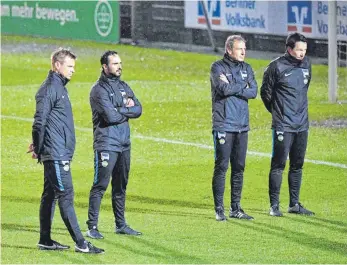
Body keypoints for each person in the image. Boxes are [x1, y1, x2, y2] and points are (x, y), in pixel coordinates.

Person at [29, 48, 104, 254]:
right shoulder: (49, 89)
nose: (73, 71)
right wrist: (38, 145)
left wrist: (39, 145)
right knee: (65, 195)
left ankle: (45, 239)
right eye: (69, 66)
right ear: (57, 65)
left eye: (74, 67)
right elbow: (39, 122)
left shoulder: (59, 87)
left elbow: (49, 122)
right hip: (56, 153)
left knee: (50, 195)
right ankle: (81, 244)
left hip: (58, 151)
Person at [85, 51, 142, 239]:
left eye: (120, 63)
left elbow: (139, 109)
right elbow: (110, 117)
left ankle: (120, 225)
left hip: (124, 143)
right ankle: (92, 227)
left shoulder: (124, 86)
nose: (119, 66)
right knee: (100, 185)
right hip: (106, 143)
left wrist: (119, 109)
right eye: (115, 63)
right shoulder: (98, 90)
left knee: (121, 186)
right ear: (105, 66)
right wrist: (126, 109)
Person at [260, 32, 314, 217]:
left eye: (304, 50)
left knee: (297, 165)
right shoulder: (276, 67)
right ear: (289, 49)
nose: (302, 53)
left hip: (302, 125)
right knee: (278, 165)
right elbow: (266, 94)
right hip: (283, 125)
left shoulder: (307, 64)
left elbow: (304, 89)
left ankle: (294, 204)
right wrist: (279, 112)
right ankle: (274, 206)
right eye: (299, 50)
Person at [210, 35, 258, 221]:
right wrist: (242, 86)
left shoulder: (247, 68)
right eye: (239, 49)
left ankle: (235, 208)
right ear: (229, 50)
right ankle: (219, 209)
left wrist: (234, 86)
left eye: (244, 49)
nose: (243, 52)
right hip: (223, 124)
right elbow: (223, 89)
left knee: (239, 167)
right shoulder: (217, 67)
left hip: (242, 125)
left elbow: (253, 92)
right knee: (222, 167)